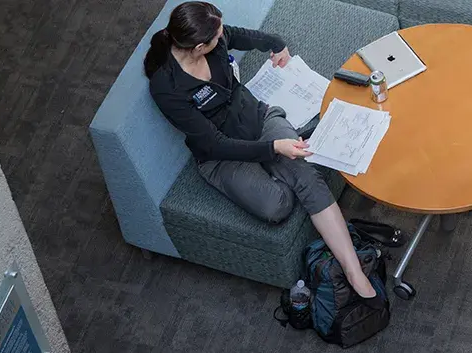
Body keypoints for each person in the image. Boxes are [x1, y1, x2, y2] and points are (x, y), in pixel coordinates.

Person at [144, 1, 381, 304]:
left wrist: (276, 44)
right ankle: (282, 164)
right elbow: (214, 143)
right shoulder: (166, 87)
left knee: (306, 176)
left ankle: (352, 269)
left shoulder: (214, 38)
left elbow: (244, 36)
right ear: (199, 47)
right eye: (216, 38)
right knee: (276, 207)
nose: (223, 37)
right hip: (220, 156)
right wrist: (274, 149)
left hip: (257, 119)